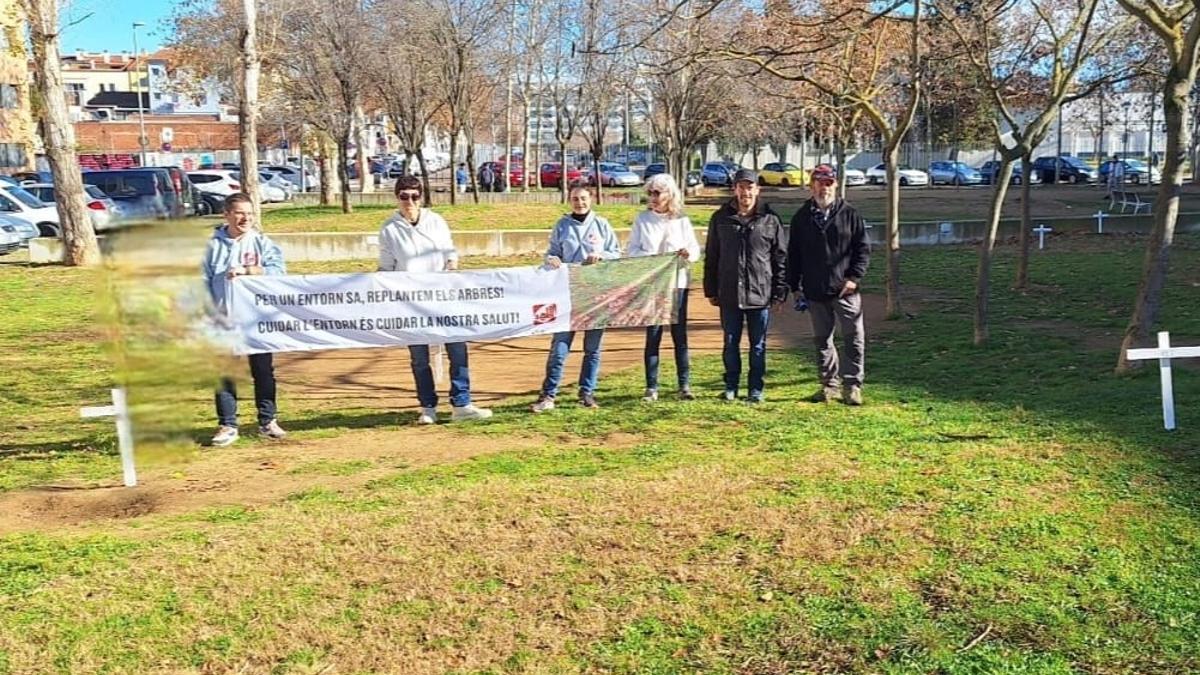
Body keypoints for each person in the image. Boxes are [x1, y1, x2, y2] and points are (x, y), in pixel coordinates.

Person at [379, 175, 493, 424]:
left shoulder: (436, 221)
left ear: (421, 197)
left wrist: (452, 266)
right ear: (397, 197)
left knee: (458, 350)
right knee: (419, 357)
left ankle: (461, 403)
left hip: (443, 298)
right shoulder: (389, 229)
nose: (410, 201)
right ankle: (427, 406)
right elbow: (387, 267)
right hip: (410, 303)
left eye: (414, 196)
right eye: (404, 196)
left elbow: (449, 251)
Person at [201, 192, 288, 447]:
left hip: (256, 321)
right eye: (240, 213)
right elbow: (200, 282)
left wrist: (249, 271)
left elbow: (279, 273)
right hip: (224, 320)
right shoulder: (211, 246)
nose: (245, 218)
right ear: (226, 214)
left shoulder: (262, 243)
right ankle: (228, 424)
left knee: (262, 371)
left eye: (250, 214)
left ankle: (267, 421)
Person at [530, 184, 621, 412]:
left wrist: (601, 255)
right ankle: (548, 395)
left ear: (591, 200)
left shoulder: (601, 224)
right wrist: (552, 259)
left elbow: (616, 252)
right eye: (575, 199)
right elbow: (551, 252)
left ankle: (586, 393)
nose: (579, 203)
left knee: (592, 349)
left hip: (595, 294)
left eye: (583, 198)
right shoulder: (562, 225)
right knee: (559, 348)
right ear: (569, 201)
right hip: (567, 294)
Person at [786, 164, 870, 406]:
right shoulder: (801, 217)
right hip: (815, 289)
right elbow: (794, 255)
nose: (824, 187)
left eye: (829, 182)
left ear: (835, 185)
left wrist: (854, 278)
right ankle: (828, 385)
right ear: (812, 185)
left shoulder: (850, 214)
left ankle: (853, 385)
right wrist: (795, 286)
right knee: (822, 340)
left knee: (854, 337)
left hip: (846, 290)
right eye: (819, 182)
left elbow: (862, 249)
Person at [703, 169, 788, 404]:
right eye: (741, 187)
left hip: (760, 294)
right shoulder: (720, 218)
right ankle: (731, 386)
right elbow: (712, 256)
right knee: (731, 343)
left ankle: (755, 388)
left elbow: (780, 258)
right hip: (729, 293)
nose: (745, 192)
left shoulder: (770, 220)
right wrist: (710, 289)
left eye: (750, 187)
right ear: (735, 190)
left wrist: (780, 292)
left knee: (758, 345)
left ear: (757, 190)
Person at [627, 173, 702, 402]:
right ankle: (651, 386)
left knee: (680, 336)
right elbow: (632, 251)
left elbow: (695, 251)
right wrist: (653, 258)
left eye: (657, 193)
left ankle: (684, 385)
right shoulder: (642, 220)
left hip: (677, 285)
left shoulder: (681, 221)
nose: (653, 197)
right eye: (650, 193)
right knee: (654, 335)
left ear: (669, 195)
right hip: (653, 286)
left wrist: (687, 255)